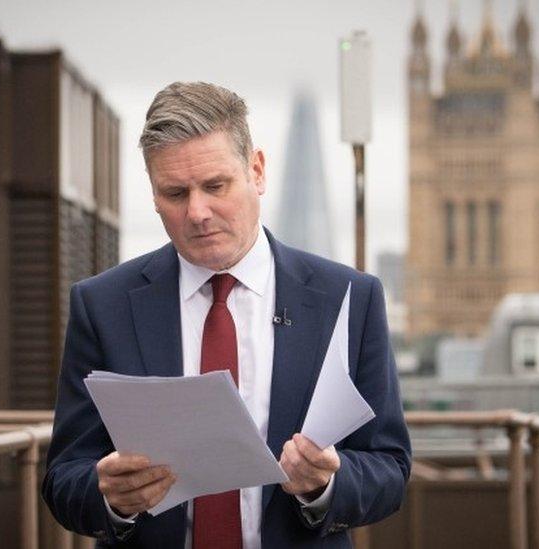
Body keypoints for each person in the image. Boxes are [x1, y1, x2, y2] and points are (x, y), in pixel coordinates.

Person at [42, 81, 411, 549]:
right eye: (175, 193)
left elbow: (390, 468)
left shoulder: (349, 297)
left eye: (215, 186)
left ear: (256, 170)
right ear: (153, 195)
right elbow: (63, 478)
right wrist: (111, 496)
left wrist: (328, 483)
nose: (197, 212)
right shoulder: (103, 305)